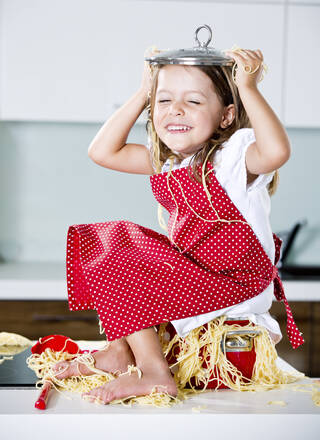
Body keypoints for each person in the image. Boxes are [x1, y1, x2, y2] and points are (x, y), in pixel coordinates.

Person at [52, 46, 304, 404]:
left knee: (126, 247)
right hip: (201, 277)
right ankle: (120, 351)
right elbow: (102, 151)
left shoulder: (233, 157)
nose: (176, 110)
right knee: (112, 240)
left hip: (235, 283)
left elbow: (277, 151)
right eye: (165, 100)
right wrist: (143, 92)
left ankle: (154, 371)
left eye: (194, 102)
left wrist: (249, 88)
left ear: (227, 116)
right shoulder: (172, 165)